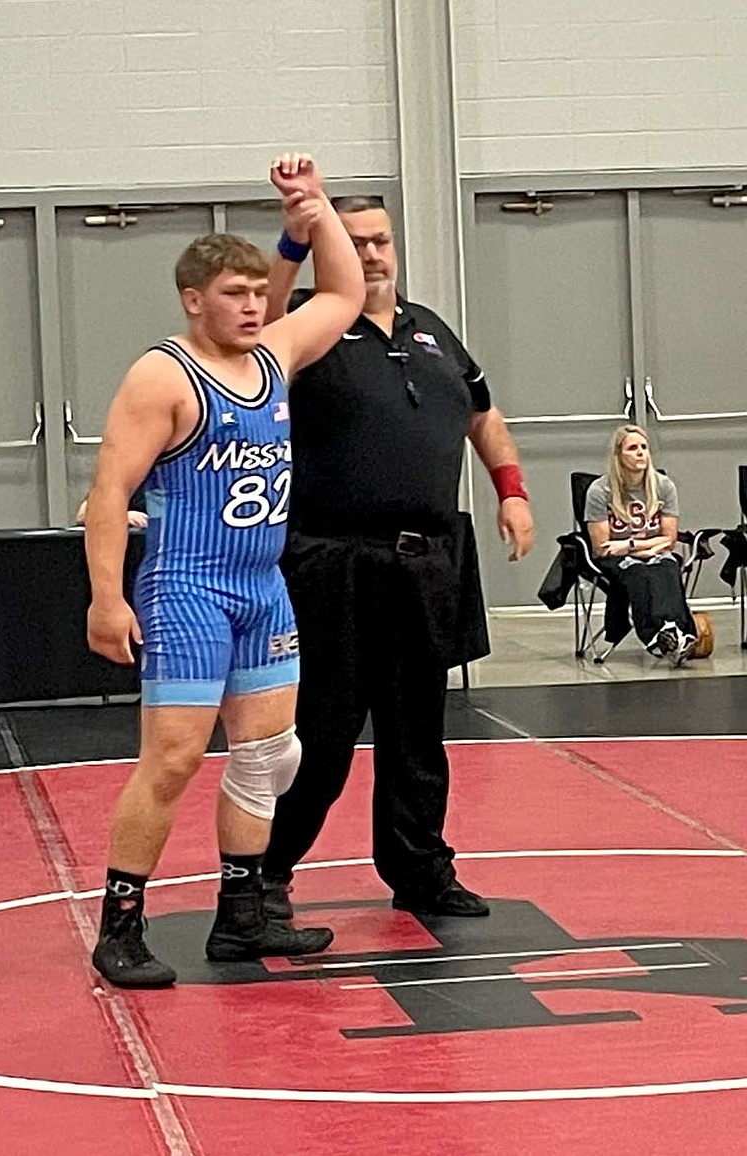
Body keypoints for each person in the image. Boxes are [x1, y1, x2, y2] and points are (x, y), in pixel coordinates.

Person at [84, 153, 364, 988]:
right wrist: (106, 598)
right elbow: (108, 491)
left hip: (261, 585)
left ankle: (241, 920)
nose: (252, 306)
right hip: (188, 588)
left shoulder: (274, 357)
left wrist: (314, 211)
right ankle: (120, 925)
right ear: (193, 300)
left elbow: (344, 294)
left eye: (257, 291)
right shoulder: (163, 375)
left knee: (269, 756)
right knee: (171, 760)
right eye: (234, 295)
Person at [259, 185, 535, 929]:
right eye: (355, 241)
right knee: (322, 734)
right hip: (335, 564)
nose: (373, 253)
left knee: (418, 734)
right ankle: (264, 879)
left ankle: (420, 870)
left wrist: (511, 490)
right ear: (331, 251)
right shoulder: (306, 327)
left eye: (381, 239)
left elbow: (484, 413)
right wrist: (292, 237)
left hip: (426, 566)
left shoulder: (432, 330)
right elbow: (254, 334)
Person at [584, 424, 697, 664]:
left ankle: (670, 632)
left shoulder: (664, 486)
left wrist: (630, 545)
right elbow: (602, 546)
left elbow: (669, 540)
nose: (640, 453)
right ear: (618, 455)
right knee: (638, 571)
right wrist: (645, 547)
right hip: (616, 558)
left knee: (667, 567)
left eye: (644, 447)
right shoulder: (599, 490)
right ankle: (659, 635)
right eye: (632, 448)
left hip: (643, 550)